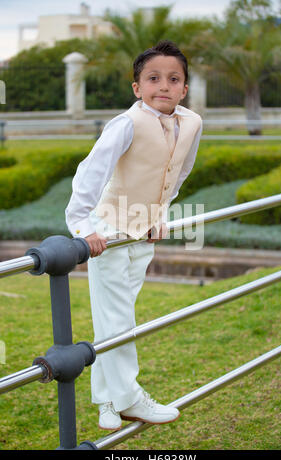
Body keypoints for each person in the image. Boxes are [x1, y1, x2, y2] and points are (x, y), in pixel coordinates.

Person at [65, 40, 203, 431]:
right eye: (153, 78)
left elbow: (180, 172)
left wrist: (159, 214)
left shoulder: (192, 122)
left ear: (184, 88)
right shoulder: (127, 122)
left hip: (143, 230)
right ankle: (129, 399)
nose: (164, 85)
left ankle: (106, 399)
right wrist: (83, 226)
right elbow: (90, 172)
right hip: (108, 230)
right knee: (117, 317)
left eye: (173, 79)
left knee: (115, 316)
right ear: (137, 88)